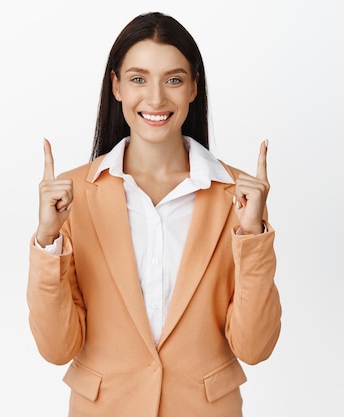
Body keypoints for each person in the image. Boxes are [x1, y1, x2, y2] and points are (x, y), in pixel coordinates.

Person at [27, 12, 281, 417]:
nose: (157, 98)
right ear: (116, 85)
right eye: (138, 79)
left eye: (174, 79)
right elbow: (57, 349)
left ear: (194, 86)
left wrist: (252, 239)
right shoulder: (71, 198)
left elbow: (255, 347)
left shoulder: (239, 198)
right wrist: (47, 241)